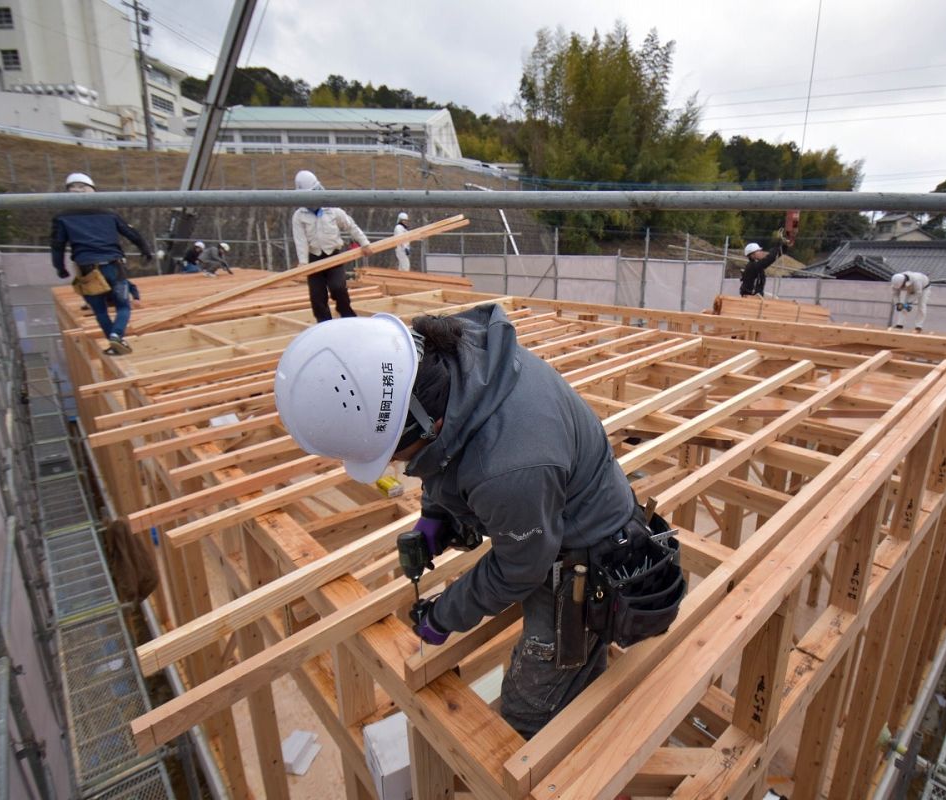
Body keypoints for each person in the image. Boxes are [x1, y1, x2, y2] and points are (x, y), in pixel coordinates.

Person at [273, 307, 683, 739]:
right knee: (569, 671)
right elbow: (447, 451)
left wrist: (445, 614)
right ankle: (583, 682)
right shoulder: (457, 358)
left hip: (585, 558)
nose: (396, 463)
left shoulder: (510, 468)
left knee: (529, 712)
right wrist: (436, 515)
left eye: (395, 452)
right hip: (546, 510)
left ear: (424, 424)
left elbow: (519, 568)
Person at [50, 172, 151, 355]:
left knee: (100, 311)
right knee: (122, 306)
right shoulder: (108, 213)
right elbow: (131, 233)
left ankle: (114, 342)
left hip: (87, 270)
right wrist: (144, 248)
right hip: (113, 266)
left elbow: (57, 245)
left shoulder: (63, 217)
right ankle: (116, 335)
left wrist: (60, 268)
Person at [291, 169, 372, 322]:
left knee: (338, 288)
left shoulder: (333, 210)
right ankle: (324, 323)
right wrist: (303, 262)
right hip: (314, 259)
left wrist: (365, 243)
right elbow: (300, 240)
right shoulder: (299, 216)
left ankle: (347, 315)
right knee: (317, 297)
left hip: (334, 256)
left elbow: (351, 226)